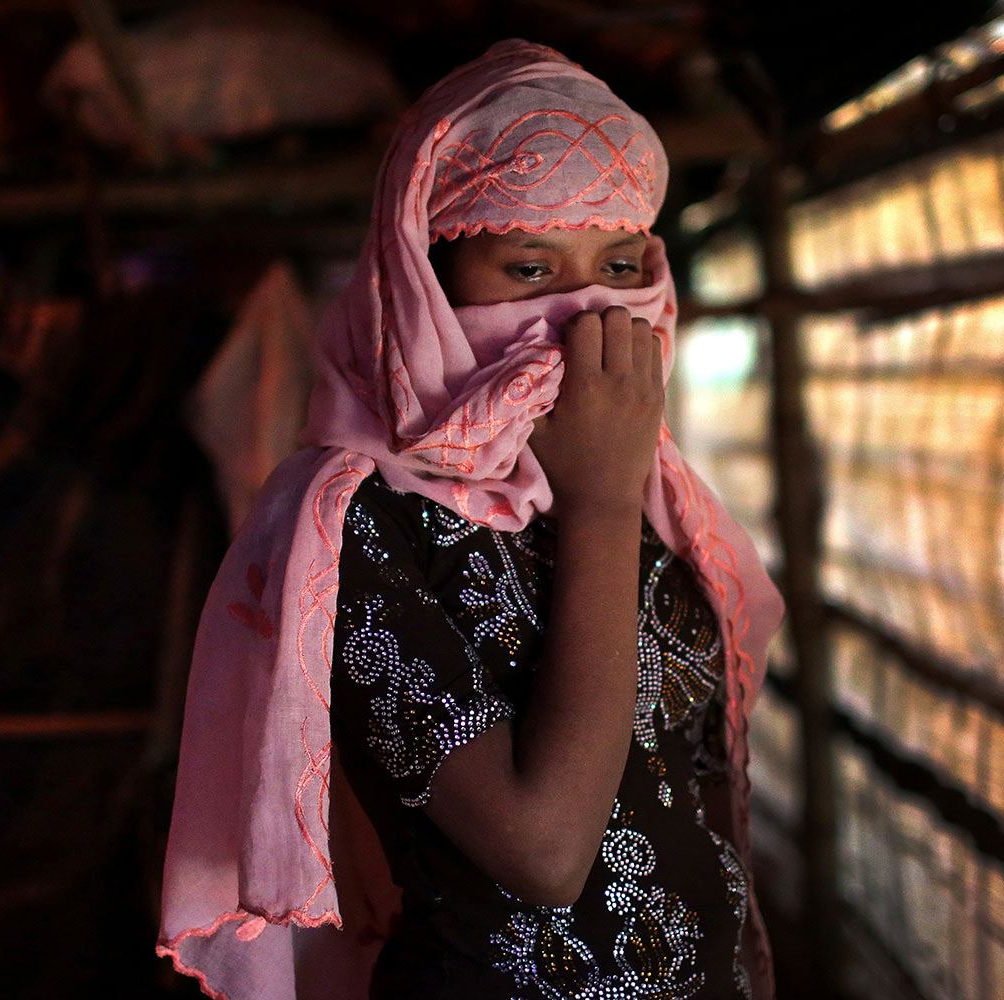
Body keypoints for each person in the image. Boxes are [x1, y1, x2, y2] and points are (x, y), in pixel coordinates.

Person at [156, 40, 784, 1000]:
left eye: (620, 265)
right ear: (429, 287)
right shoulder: (352, 523)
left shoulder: (655, 491)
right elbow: (544, 852)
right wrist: (601, 504)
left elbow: (691, 791)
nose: (587, 317)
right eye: (530, 269)